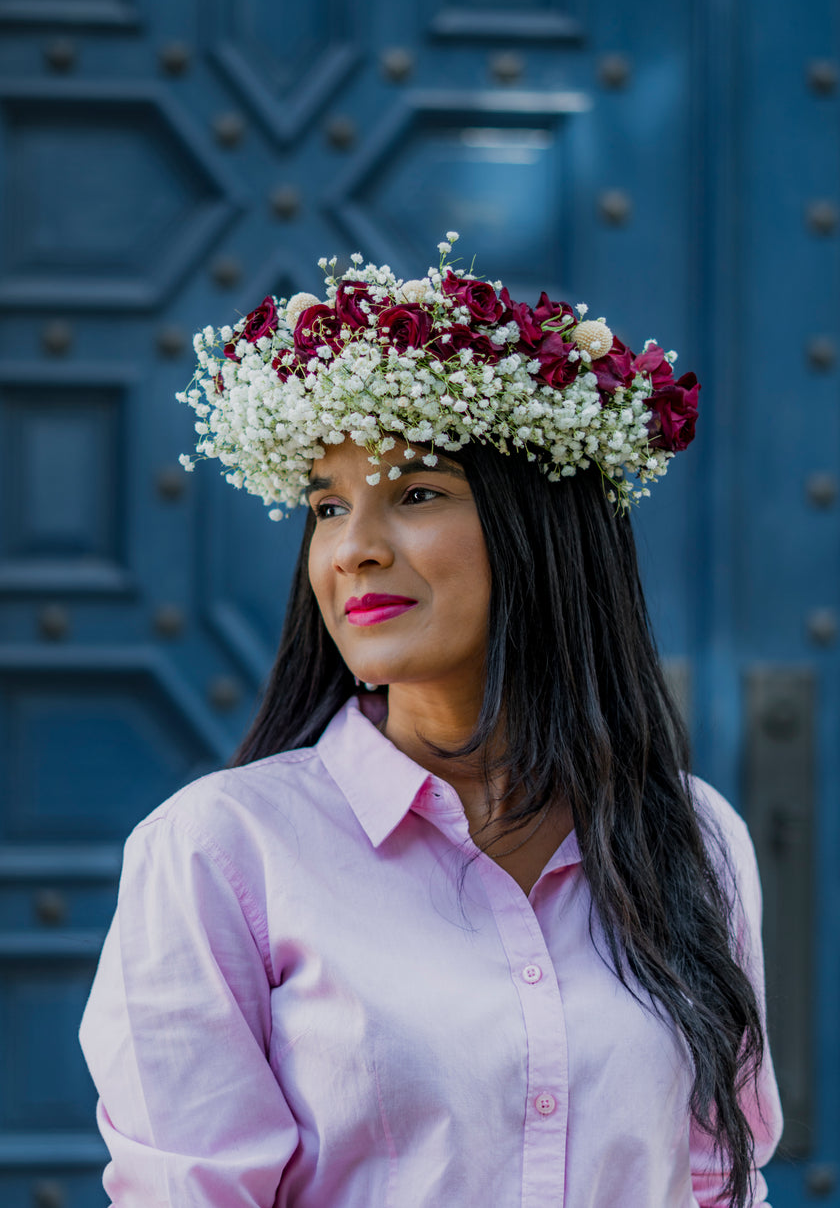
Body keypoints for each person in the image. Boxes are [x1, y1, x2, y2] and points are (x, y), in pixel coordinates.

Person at [80, 235, 781, 1207]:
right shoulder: (219, 853)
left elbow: (719, 1182)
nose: (354, 550)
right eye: (328, 508)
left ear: (542, 530)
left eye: (414, 494)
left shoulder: (695, 839)